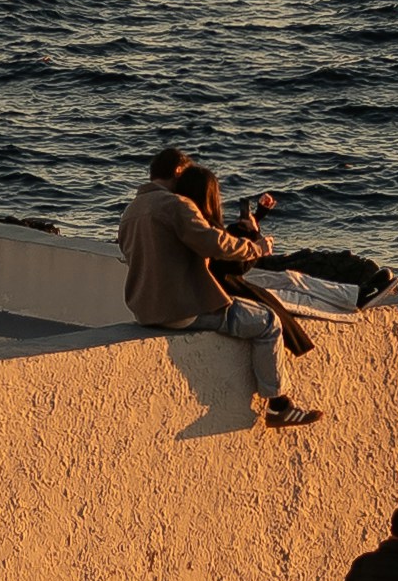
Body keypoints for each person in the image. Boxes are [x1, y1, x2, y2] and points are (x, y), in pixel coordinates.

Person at [115, 143, 320, 426]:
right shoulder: (176, 205)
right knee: (267, 321)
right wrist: (256, 249)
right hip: (182, 310)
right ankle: (278, 404)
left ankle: (279, 404)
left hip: (145, 310)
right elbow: (215, 243)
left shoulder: (131, 211)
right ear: (178, 170)